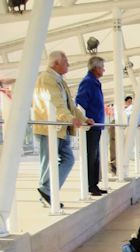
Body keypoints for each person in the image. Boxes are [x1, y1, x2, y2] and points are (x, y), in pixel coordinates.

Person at [33, 51, 93, 208]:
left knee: (68, 159)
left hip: (62, 128)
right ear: (55, 63)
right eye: (66, 62)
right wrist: (69, 119)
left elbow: (71, 106)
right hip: (50, 128)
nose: (68, 65)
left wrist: (83, 119)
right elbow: (56, 103)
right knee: (49, 161)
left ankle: (47, 191)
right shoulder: (47, 79)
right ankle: (47, 191)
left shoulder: (59, 80)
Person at [76, 56, 106, 196]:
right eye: (102, 67)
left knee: (95, 156)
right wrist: (86, 118)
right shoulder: (88, 82)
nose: (104, 70)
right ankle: (90, 185)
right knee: (91, 155)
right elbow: (80, 102)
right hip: (91, 126)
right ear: (96, 68)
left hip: (97, 125)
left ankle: (94, 184)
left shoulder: (95, 82)